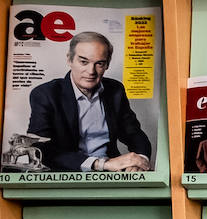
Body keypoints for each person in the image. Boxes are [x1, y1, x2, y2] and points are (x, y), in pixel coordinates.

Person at [25, 30, 152, 172]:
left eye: (99, 63)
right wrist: (101, 164)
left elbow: (133, 133)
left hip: (111, 175)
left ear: (107, 64)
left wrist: (139, 160)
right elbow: (40, 148)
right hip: (65, 176)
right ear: (69, 59)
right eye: (83, 62)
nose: (91, 71)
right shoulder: (46, 94)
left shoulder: (115, 90)